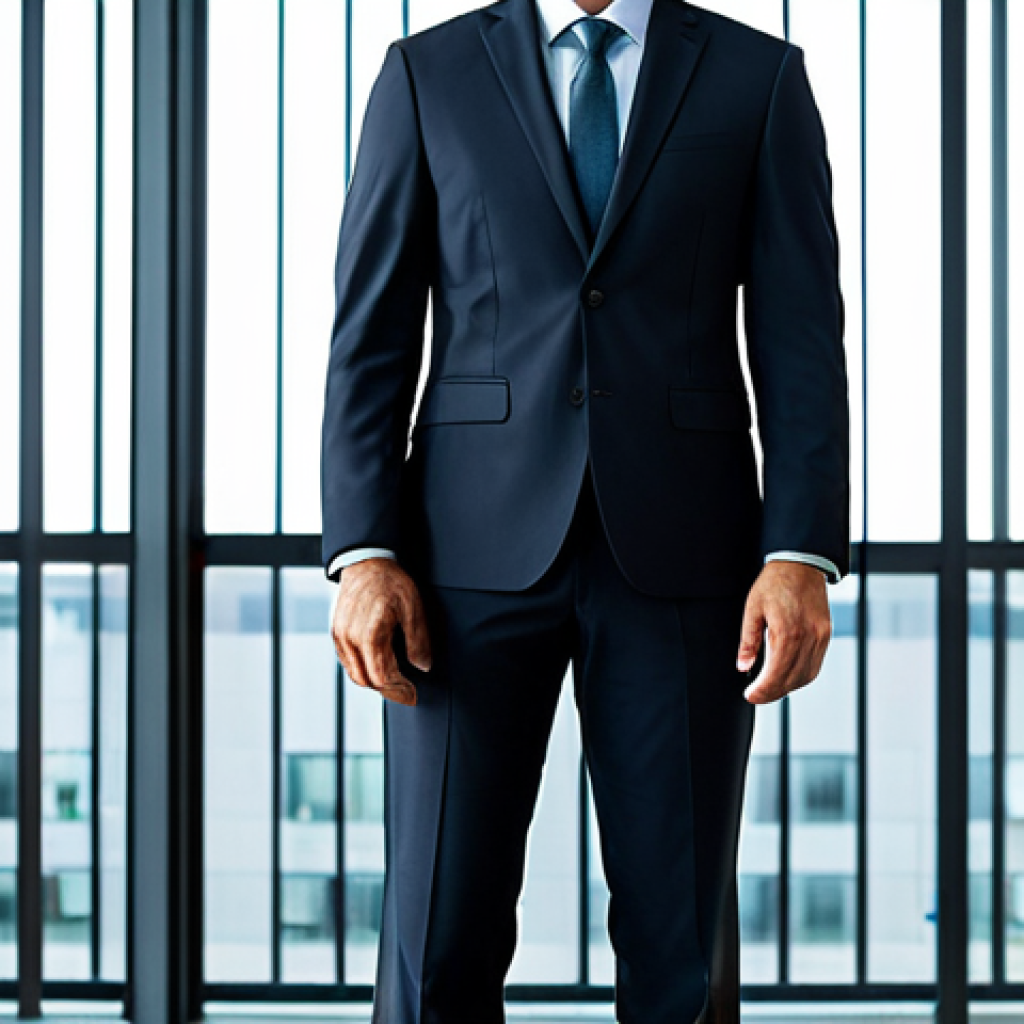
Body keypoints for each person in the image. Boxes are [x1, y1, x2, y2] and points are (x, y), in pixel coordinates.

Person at [320, 0, 850, 1019]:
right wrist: (365, 547)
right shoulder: (425, 74)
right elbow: (369, 333)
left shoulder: (759, 77)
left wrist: (798, 550)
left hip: (686, 557)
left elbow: (799, 340)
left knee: (677, 947)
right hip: (458, 564)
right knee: (436, 939)